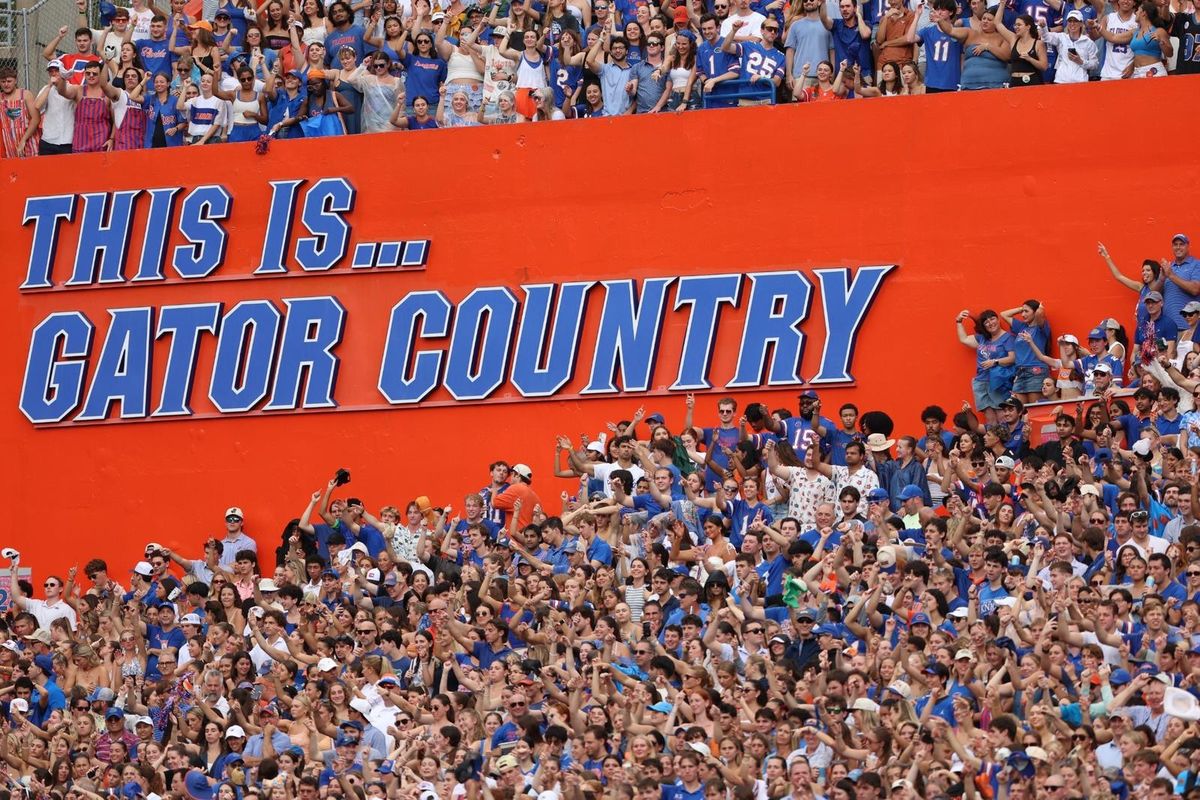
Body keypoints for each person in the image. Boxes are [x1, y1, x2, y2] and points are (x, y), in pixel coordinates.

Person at [55, 60, 121, 152]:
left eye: (94, 74)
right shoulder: (78, 90)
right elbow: (63, 92)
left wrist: (111, 139)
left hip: (101, 142)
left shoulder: (107, 94)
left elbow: (116, 120)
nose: (91, 76)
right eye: (88, 73)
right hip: (80, 142)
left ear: (101, 75)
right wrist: (62, 78)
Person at [905, 0, 963, 92]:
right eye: (937, 9)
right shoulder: (928, 31)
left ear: (951, 12)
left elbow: (962, 58)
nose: (939, 12)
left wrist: (962, 81)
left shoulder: (958, 32)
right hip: (932, 82)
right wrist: (917, 15)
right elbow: (909, 39)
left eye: (943, 10)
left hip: (952, 82)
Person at [1043, 10, 1098, 82]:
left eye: (1075, 21)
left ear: (1081, 23)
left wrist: (1081, 61)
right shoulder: (1061, 37)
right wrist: (1043, 27)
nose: (1072, 23)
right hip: (1061, 81)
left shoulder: (1088, 42)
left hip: (1080, 82)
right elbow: (1046, 37)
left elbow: (1095, 64)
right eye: (1070, 21)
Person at [0, 67, 41, 158]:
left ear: (15, 80)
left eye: (9, 81)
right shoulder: (0, 98)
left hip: (29, 140)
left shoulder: (25, 94)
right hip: (10, 144)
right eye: (3, 82)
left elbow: (36, 119)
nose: (6, 84)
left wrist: (23, 140)